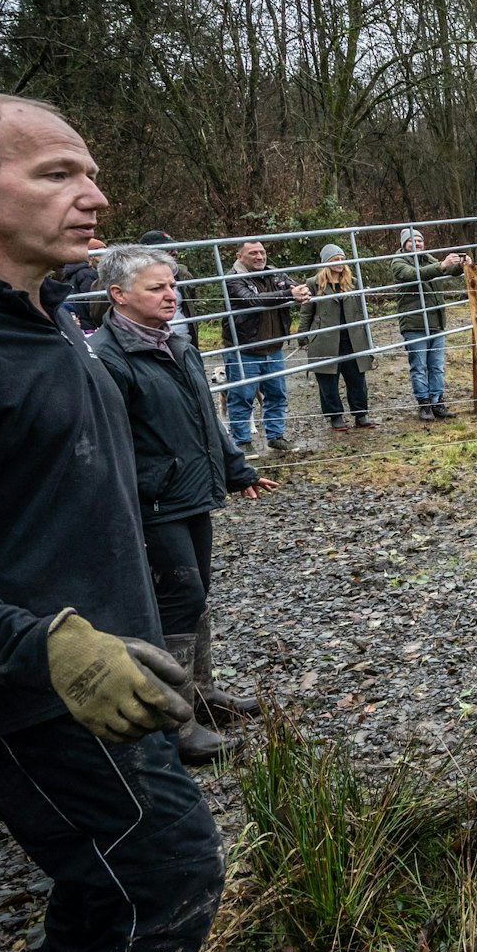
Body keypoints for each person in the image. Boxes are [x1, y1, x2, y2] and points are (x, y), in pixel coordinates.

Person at [0, 91, 223, 952]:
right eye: (56, 174)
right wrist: (52, 647)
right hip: (26, 689)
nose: (94, 196)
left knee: (111, 883)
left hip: (115, 671)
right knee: (167, 875)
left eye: (90, 173)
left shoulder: (50, 319)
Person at [89, 244, 277, 764]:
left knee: (198, 593)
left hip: (192, 489)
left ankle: (203, 693)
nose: (171, 295)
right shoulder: (107, 358)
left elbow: (203, 414)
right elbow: (110, 441)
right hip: (152, 501)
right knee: (176, 598)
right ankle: (177, 723)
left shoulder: (178, 342)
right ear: (119, 295)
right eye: (157, 288)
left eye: (172, 286)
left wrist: (236, 470)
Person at [221, 239, 309, 453]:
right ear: (239, 256)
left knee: (277, 394)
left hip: (273, 347)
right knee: (242, 397)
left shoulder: (275, 273)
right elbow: (252, 300)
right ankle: (242, 442)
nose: (260, 257)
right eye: (253, 253)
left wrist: (301, 292)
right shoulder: (233, 280)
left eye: (262, 252)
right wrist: (289, 295)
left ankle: (276, 436)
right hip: (244, 349)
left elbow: (294, 287)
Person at [388, 228, 465, 421]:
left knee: (437, 365)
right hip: (414, 324)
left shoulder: (428, 258)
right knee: (419, 365)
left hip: (436, 322)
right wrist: (442, 265)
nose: (417, 243)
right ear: (403, 244)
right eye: (412, 241)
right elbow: (414, 274)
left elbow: (447, 270)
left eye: (420, 240)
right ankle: (424, 404)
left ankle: (438, 401)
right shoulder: (398, 262)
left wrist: (462, 266)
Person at [297, 243, 376, 430]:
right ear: (326, 262)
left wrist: (368, 338)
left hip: (352, 338)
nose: (340, 263)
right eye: (335, 260)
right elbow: (306, 312)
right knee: (328, 381)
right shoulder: (313, 283)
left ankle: (360, 414)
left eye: (342, 259)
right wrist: (303, 337)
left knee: (357, 378)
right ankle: (335, 416)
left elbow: (362, 311)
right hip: (325, 340)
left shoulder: (353, 282)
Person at [137, 229, 196, 329]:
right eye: (167, 249)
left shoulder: (182, 274)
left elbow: (191, 301)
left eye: (174, 248)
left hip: (184, 340)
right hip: (150, 340)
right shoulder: (131, 278)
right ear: (149, 252)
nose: (175, 252)